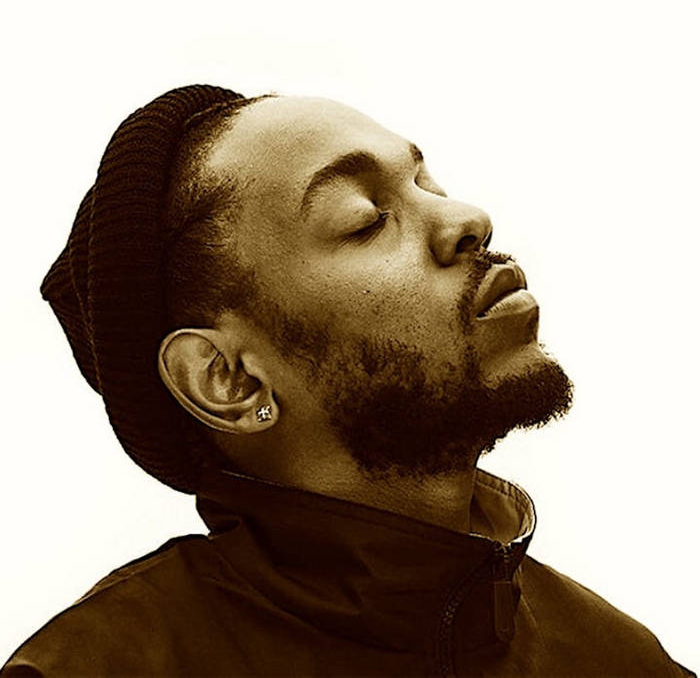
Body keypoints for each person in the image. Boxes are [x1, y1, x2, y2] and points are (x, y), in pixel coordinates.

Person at [2, 84, 694, 677]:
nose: (468, 220)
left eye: (428, 186)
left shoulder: (620, 661)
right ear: (230, 380)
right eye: (366, 221)